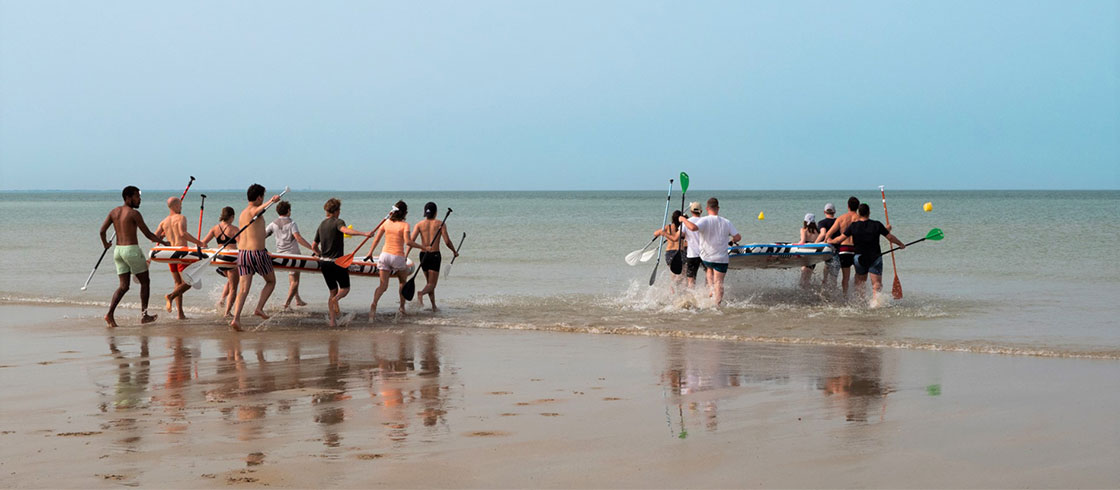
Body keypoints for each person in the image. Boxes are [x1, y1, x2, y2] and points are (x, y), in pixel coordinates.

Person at [98, 186, 169, 328]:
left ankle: (110, 314)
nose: (139, 200)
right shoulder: (134, 214)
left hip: (118, 251)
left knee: (124, 286)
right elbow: (148, 234)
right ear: (128, 198)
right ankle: (144, 316)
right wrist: (163, 242)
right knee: (145, 282)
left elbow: (102, 231)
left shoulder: (114, 212)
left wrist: (106, 244)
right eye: (137, 197)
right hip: (131, 250)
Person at [829, 203, 905, 305]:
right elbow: (890, 238)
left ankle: (860, 303)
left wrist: (830, 240)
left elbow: (840, 239)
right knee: (876, 284)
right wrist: (900, 244)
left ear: (859, 213)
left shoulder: (854, 226)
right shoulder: (877, 224)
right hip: (875, 257)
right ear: (869, 213)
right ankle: (876, 304)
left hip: (859, 258)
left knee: (860, 283)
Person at [312, 198, 372, 327]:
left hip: (324, 263)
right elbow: (345, 230)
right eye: (339, 210)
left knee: (332, 291)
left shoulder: (321, 224)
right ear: (336, 211)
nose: (340, 212)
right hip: (337, 262)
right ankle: (336, 300)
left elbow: (314, 246)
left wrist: (319, 254)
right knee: (345, 289)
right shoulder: (338, 222)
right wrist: (364, 233)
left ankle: (332, 321)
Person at [231, 184, 281, 331]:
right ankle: (259, 307)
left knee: (243, 289)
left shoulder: (242, 213)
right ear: (259, 197)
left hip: (243, 254)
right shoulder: (253, 211)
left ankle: (236, 319)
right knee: (271, 281)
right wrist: (272, 201)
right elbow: (257, 211)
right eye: (263, 196)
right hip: (256, 254)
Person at [679, 197, 741, 307]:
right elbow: (738, 237)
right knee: (719, 282)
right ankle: (717, 304)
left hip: (706, 258)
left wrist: (683, 220)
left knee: (709, 269)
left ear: (707, 208)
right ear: (718, 208)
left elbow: (693, 228)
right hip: (721, 258)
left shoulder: (705, 220)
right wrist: (732, 242)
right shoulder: (727, 222)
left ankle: (711, 289)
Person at [367, 201, 422, 318]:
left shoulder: (386, 223)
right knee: (402, 282)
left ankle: (374, 303)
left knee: (383, 286)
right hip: (397, 256)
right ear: (404, 213)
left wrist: (370, 252)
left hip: (384, 256)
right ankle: (402, 307)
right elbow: (408, 242)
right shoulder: (405, 225)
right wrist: (423, 247)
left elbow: (376, 239)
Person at [156, 196, 205, 319]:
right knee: (190, 281)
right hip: (181, 253)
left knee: (178, 283)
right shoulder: (181, 218)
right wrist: (199, 243)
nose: (181, 208)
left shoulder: (164, 221)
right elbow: (183, 234)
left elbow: (155, 236)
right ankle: (171, 296)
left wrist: (163, 238)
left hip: (170, 254)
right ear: (176, 206)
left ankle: (180, 314)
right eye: (180, 205)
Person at [409, 202, 460, 311]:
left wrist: (406, 255)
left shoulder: (419, 224)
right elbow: (447, 241)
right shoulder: (440, 224)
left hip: (423, 255)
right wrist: (454, 251)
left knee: (429, 284)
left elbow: (411, 241)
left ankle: (433, 306)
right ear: (435, 213)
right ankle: (420, 293)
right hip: (434, 256)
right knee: (432, 284)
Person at [266, 201, 315, 309]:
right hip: (293, 255)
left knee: (292, 277)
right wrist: (313, 248)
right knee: (295, 281)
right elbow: (298, 238)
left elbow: (263, 235)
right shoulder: (292, 223)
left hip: (280, 256)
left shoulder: (273, 223)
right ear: (288, 211)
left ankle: (297, 299)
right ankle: (286, 304)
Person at [200, 206, 239, 317]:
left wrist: (198, 247)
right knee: (234, 288)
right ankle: (227, 312)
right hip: (231, 259)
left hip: (220, 260)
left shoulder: (214, 228)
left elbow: (203, 243)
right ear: (231, 217)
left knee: (230, 281)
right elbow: (242, 243)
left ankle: (221, 301)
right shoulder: (234, 229)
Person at [824, 197, 861, 296]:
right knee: (859, 275)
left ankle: (845, 297)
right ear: (858, 207)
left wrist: (827, 241)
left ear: (848, 206)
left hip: (844, 249)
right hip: (857, 250)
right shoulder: (860, 218)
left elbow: (828, 233)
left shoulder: (841, 218)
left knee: (846, 277)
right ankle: (858, 296)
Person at [653, 210, 684, 284]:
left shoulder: (668, 227)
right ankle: (680, 290)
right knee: (682, 274)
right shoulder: (683, 227)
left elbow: (655, 233)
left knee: (673, 274)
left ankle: (672, 290)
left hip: (669, 252)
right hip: (680, 252)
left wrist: (663, 233)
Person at [814, 203, 840, 289]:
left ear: (824, 212)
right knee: (834, 278)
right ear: (834, 212)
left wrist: (814, 244)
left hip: (826, 251)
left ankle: (824, 295)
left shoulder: (822, 222)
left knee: (825, 275)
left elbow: (823, 234)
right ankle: (833, 297)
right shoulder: (839, 222)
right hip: (837, 251)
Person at [680, 202, 705, 288]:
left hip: (692, 254)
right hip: (706, 254)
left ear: (691, 211)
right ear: (701, 211)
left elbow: (681, 236)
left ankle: (692, 296)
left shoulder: (686, 222)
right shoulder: (705, 221)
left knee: (691, 279)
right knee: (709, 274)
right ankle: (708, 293)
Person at [797, 213, 819, 289]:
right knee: (807, 279)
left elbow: (802, 242)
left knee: (802, 281)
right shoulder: (817, 231)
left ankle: (804, 297)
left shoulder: (804, 230)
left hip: (805, 256)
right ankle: (810, 294)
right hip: (814, 257)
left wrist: (795, 245)